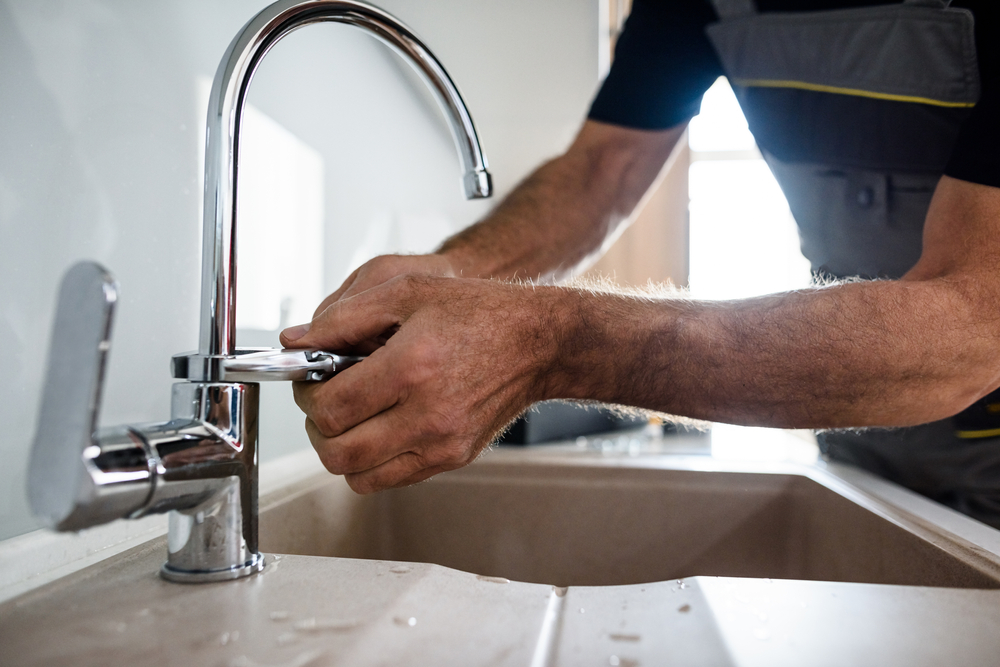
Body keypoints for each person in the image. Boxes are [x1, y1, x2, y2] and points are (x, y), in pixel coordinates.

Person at [279, 0, 1000, 526]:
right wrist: (446, 275)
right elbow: (607, 166)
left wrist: (550, 343)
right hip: (867, 450)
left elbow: (974, 324)